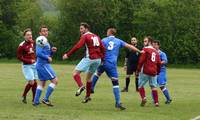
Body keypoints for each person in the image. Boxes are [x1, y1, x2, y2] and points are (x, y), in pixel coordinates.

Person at [91, 28, 142, 110]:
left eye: (107, 31)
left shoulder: (103, 40)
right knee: (115, 83)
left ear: (110, 32)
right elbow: (130, 46)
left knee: (97, 73)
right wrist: (139, 51)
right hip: (111, 64)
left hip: (103, 62)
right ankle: (118, 102)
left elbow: (97, 48)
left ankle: (91, 88)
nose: (106, 33)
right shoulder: (118, 41)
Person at [63, 22, 105, 103]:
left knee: (75, 73)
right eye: (80, 28)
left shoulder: (85, 36)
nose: (80, 30)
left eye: (81, 28)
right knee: (89, 78)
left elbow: (78, 46)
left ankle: (81, 86)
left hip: (89, 58)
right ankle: (87, 96)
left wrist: (68, 55)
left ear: (86, 29)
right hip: (98, 60)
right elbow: (103, 48)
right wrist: (102, 59)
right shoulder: (96, 36)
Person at [33, 25, 58, 107]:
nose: (45, 32)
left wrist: (52, 52)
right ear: (40, 33)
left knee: (42, 83)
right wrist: (47, 57)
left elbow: (46, 53)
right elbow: (38, 53)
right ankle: (45, 99)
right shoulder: (40, 40)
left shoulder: (45, 41)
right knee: (55, 81)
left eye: (46, 30)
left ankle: (36, 101)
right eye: (43, 31)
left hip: (42, 64)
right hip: (43, 65)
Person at [137, 36, 161, 107]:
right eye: (144, 41)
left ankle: (144, 98)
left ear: (149, 42)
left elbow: (141, 61)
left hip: (145, 70)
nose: (144, 43)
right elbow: (159, 63)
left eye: (145, 41)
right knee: (153, 87)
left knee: (140, 86)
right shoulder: (156, 51)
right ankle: (156, 102)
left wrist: (138, 70)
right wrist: (158, 72)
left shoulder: (145, 49)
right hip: (154, 71)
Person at [17, 28, 38, 104]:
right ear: (24, 36)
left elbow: (35, 51)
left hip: (35, 65)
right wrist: (29, 61)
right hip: (27, 66)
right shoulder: (21, 45)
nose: (30, 36)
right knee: (32, 82)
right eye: (28, 35)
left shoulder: (33, 42)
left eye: (31, 34)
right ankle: (24, 95)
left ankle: (34, 99)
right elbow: (19, 57)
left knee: (35, 82)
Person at [152, 40, 172, 104]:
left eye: (155, 45)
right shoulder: (152, 53)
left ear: (158, 45)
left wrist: (159, 63)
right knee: (153, 86)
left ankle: (168, 99)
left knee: (161, 86)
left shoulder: (162, 53)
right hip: (154, 71)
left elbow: (165, 61)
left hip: (161, 71)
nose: (154, 46)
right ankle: (155, 101)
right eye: (153, 44)